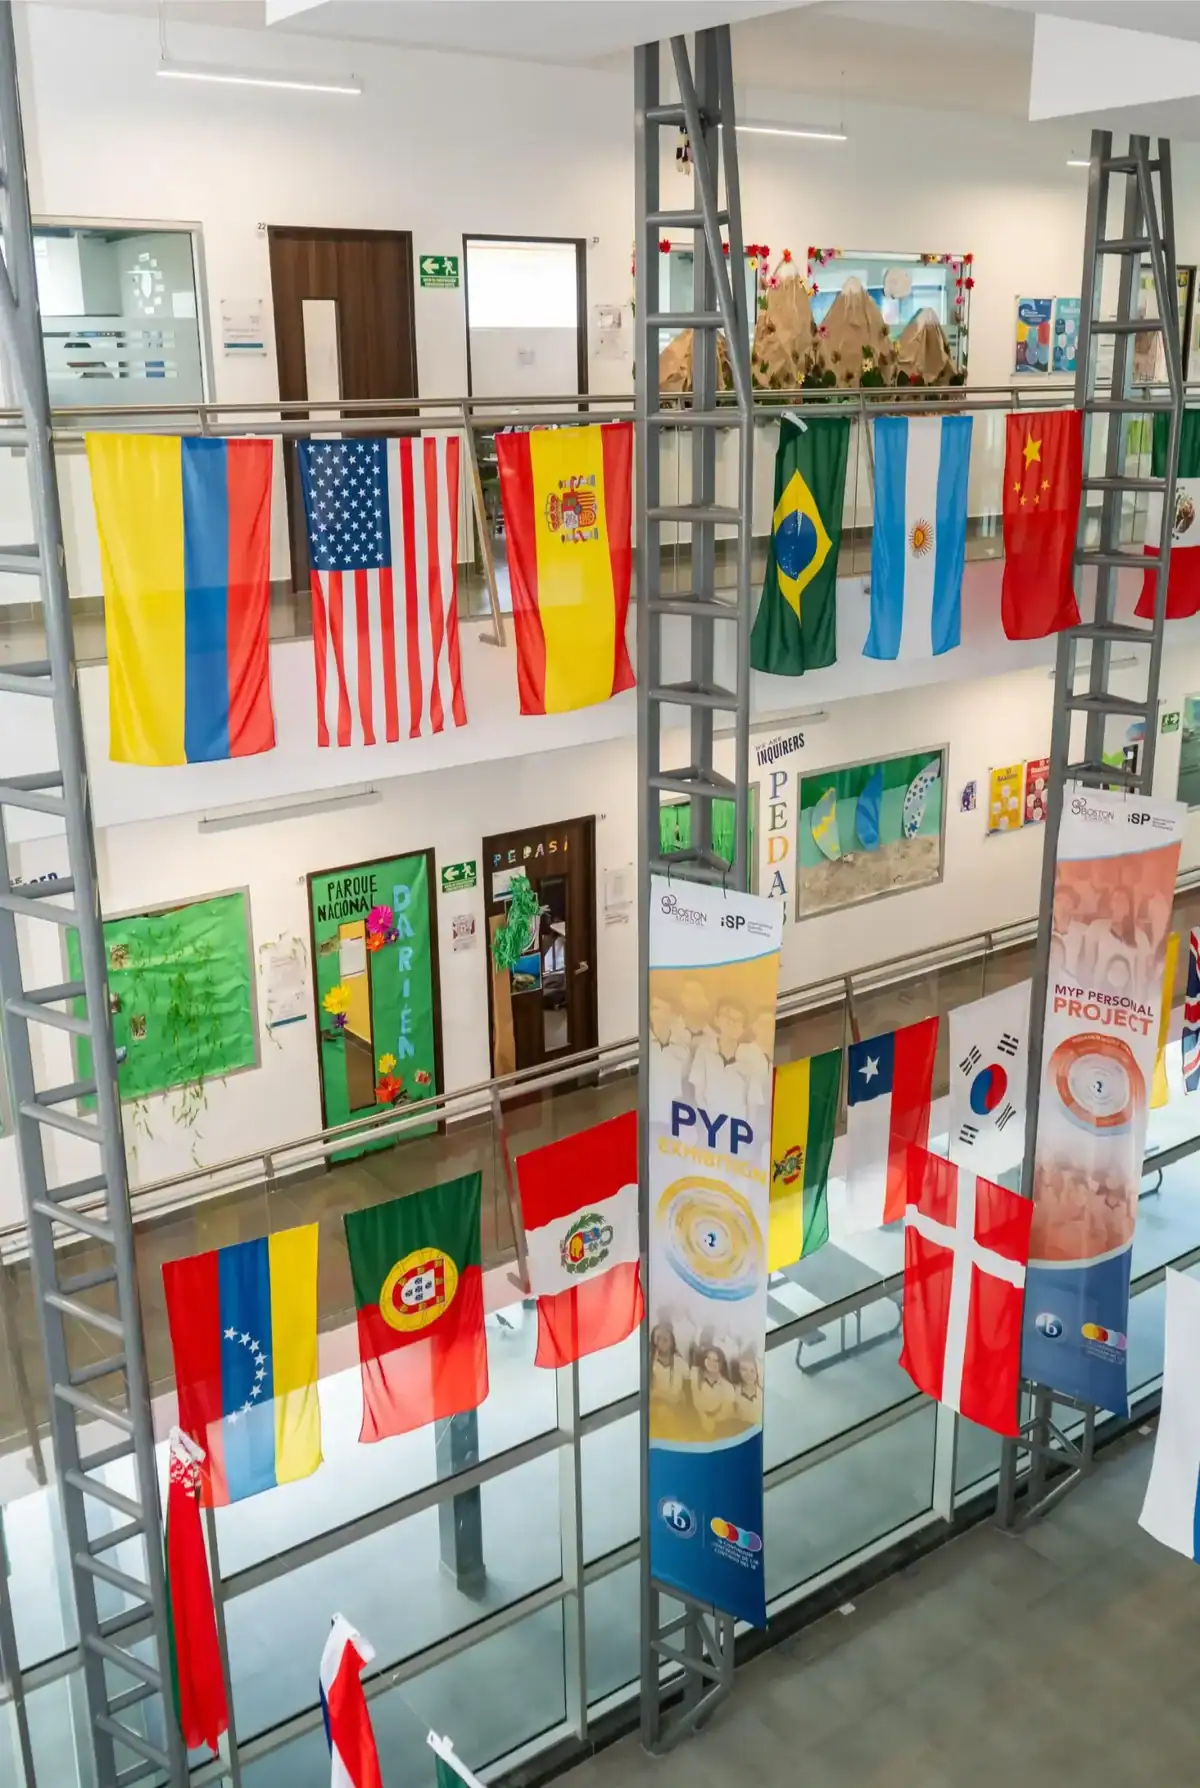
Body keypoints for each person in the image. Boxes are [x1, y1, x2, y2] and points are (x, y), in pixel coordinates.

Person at [690, 996, 753, 1123]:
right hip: (708, 1127)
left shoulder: (749, 1063)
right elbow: (698, 1095)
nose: (732, 1023)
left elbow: (752, 1108)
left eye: (738, 1020)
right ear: (717, 1020)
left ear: (743, 1029)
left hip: (736, 1132)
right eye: (728, 1018)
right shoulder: (704, 1053)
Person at [649, 988, 688, 1107]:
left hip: (673, 1115)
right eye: (652, 1008)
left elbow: (684, 1079)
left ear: (673, 1015)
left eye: (658, 1009)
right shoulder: (641, 1045)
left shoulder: (683, 1048)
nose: (653, 1012)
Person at [690, 1345, 736, 1435]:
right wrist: (703, 1418)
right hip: (696, 1419)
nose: (711, 1363)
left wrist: (712, 1421)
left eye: (716, 1361)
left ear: (722, 1364)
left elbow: (727, 1411)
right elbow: (695, 1400)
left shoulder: (727, 1386)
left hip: (718, 1425)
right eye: (708, 1358)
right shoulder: (696, 1373)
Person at [649, 1321, 687, 1408]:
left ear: (672, 1341)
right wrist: (664, 1397)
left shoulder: (681, 1363)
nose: (662, 1340)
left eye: (666, 1338)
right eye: (658, 1337)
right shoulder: (649, 1364)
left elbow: (687, 1394)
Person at [731, 1352, 763, 1426]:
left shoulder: (763, 1393)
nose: (749, 1374)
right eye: (744, 1370)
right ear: (738, 1371)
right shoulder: (733, 1392)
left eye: (752, 1371)